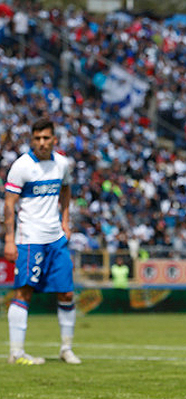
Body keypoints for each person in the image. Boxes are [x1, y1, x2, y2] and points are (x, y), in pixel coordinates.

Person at [4, 118, 81, 365]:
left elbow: (66, 190)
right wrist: (8, 239)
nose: (42, 143)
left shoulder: (61, 164)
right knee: (24, 291)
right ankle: (16, 352)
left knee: (67, 293)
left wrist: (66, 221)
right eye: (37, 138)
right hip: (29, 239)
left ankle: (66, 349)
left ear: (54, 139)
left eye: (46, 138)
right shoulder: (22, 166)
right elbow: (9, 204)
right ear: (31, 140)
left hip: (56, 239)